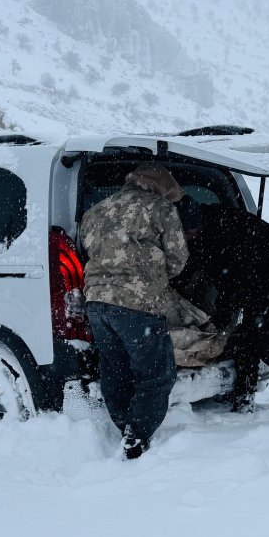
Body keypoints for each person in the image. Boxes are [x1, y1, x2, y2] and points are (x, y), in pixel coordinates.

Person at [81, 163, 188, 460]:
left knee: (115, 369)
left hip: (97, 303)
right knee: (156, 375)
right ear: (158, 187)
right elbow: (178, 259)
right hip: (139, 304)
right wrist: (152, 277)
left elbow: (85, 251)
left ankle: (124, 427)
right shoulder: (159, 209)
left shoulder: (95, 210)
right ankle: (136, 437)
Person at [186, 204, 269, 417]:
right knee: (247, 340)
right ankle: (243, 398)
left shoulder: (226, 231)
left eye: (190, 232)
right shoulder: (209, 231)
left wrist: (220, 319)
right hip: (256, 282)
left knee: (264, 342)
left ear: (198, 224)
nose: (188, 236)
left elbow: (230, 281)